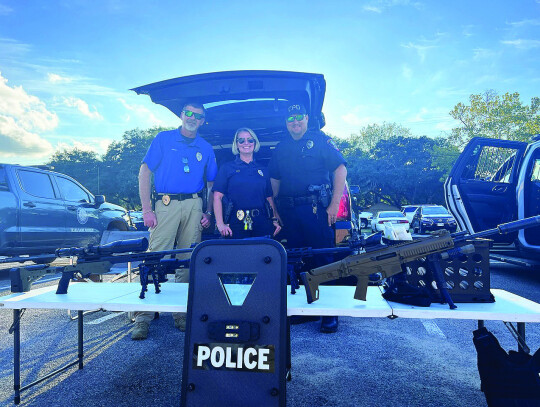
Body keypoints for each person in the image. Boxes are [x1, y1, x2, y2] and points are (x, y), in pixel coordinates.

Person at [132, 102, 217, 340]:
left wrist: (207, 212)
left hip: (193, 204)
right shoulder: (163, 139)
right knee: (155, 256)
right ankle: (143, 317)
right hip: (165, 204)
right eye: (188, 113)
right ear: (181, 115)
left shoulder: (206, 147)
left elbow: (211, 185)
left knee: (187, 260)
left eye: (197, 116)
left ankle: (181, 314)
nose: (192, 118)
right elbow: (145, 172)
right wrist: (147, 209)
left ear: (202, 121)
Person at [269, 102, 347, 334]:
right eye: (291, 119)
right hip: (289, 213)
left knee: (323, 260)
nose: (295, 122)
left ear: (306, 119)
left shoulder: (321, 140)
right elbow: (274, 179)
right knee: (298, 261)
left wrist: (334, 204)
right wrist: (274, 211)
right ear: (286, 123)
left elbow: (340, 169)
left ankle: (329, 312)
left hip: (316, 211)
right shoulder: (281, 148)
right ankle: (308, 309)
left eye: (299, 118)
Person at [213, 128, 281, 239]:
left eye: (250, 140)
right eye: (241, 140)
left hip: (262, 221)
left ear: (255, 143)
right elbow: (217, 197)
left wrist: (274, 219)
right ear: (236, 144)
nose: (246, 143)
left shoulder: (263, 169)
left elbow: (269, 198)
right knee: (240, 255)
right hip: (236, 222)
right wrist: (220, 224)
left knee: (262, 254)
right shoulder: (227, 168)